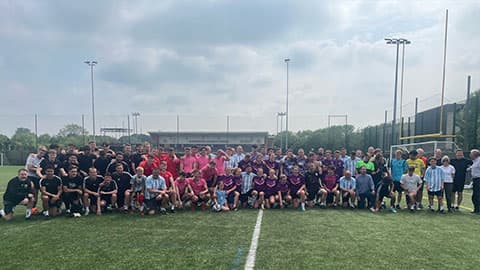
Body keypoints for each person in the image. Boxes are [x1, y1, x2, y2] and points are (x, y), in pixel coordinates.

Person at [25, 146, 47, 211]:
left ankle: (33, 208)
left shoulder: (43, 159)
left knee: (37, 193)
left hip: (38, 178)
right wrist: (38, 169)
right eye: (41, 152)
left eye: (43, 152)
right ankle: (30, 208)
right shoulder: (32, 157)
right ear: (38, 151)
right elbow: (29, 168)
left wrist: (37, 169)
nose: (42, 153)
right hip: (30, 177)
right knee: (33, 192)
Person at [470, 149, 480, 214]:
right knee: (475, 196)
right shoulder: (474, 161)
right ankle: (476, 209)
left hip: (479, 179)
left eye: (471, 154)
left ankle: (478, 210)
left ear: (475, 155)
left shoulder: (479, 161)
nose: (470, 155)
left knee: (477, 195)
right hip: (475, 179)